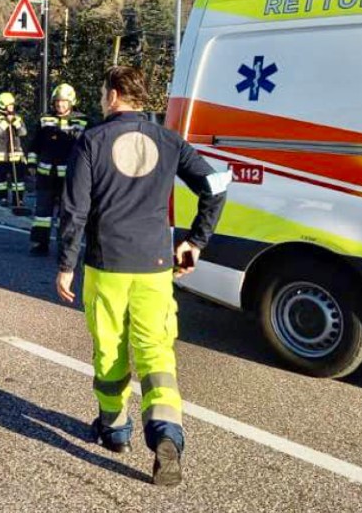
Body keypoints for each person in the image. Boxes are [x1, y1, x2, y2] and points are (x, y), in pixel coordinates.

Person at [57, 66, 229, 486]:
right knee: (156, 353)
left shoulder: (92, 141)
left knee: (110, 352)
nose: (101, 100)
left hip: (107, 265)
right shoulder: (169, 141)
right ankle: (166, 433)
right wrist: (196, 240)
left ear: (114, 95)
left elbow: (75, 210)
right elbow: (217, 183)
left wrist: (65, 264)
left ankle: (115, 430)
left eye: (102, 93)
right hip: (155, 265)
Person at [26, 83, 87, 256]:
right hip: (46, 176)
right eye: (57, 102)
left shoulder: (83, 121)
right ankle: (40, 243)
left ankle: (65, 247)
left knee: (67, 214)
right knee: (42, 214)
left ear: (71, 102)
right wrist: (31, 164)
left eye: (64, 102)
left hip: (70, 178)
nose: (60, 105)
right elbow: (34, 143)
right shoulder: (45, 119)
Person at [0, 92, 27, 207]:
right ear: (3, 105)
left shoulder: (17, 117)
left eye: (12, 105)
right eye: (9, 105)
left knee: (18, 180)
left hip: (15, 154)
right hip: (0, 155)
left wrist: (15, 122)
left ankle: (18, 199)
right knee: (1, 179)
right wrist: (6, 121)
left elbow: (23, 132)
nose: (12, 107)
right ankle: (3, 197)